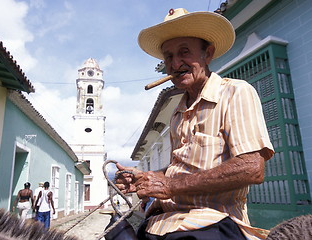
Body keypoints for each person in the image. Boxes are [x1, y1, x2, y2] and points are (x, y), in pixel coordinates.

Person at [115, 8, 274, 240]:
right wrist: (145, 176)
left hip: (213, 223)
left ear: (207, 54)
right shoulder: (177, 114)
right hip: (163, 221)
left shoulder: (235, 93)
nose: (175, 63)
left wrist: (170, 186)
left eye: (184, 52)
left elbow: (252, 168)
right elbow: (178, 169)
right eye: (168, 56)